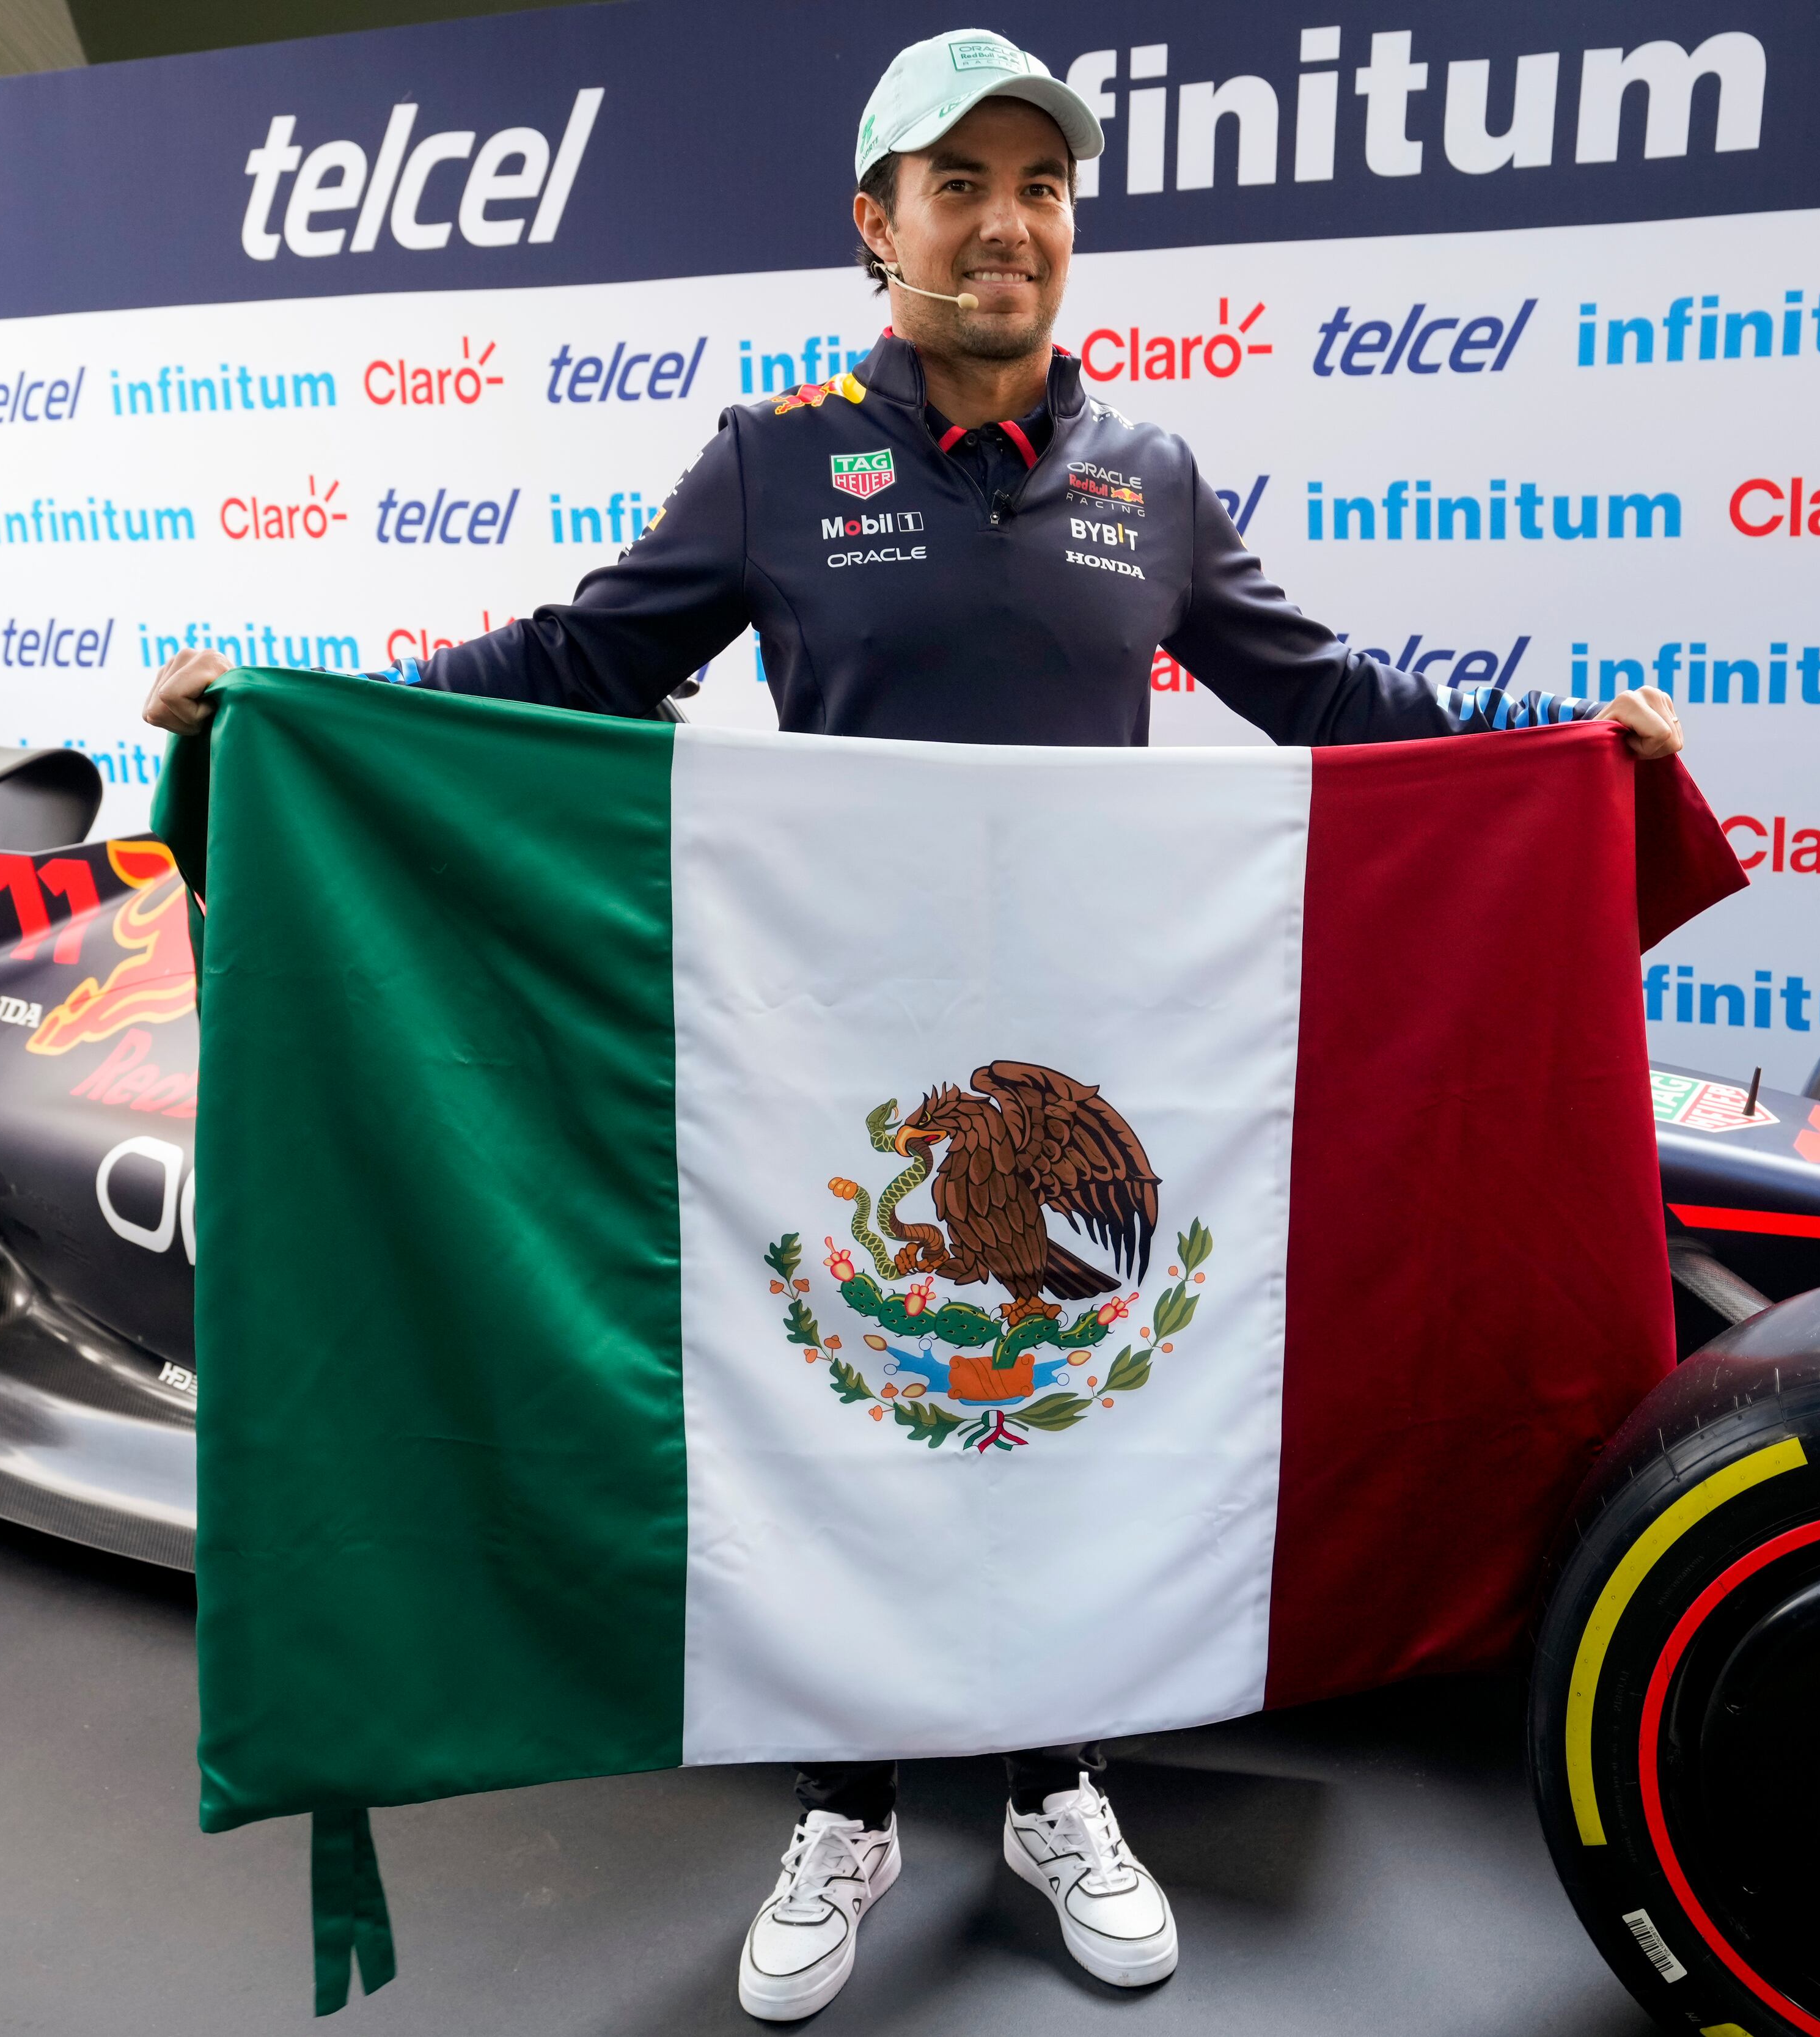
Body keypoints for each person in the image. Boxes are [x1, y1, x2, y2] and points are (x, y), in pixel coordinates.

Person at [147, 26, 1686, 2022]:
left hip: (1097, 1068)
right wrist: (293, 708)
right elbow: (577, 664)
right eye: (957, 185)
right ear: (875, 223)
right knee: (852, 1401)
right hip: (843, 1069)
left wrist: (1557, 754)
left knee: (1075, 1405)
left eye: (1040, 187)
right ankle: (845, 1795)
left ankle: (1059, 1776)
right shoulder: (780, 459)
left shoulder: (1151, 475)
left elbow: (1323, 699)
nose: (1005, 224)